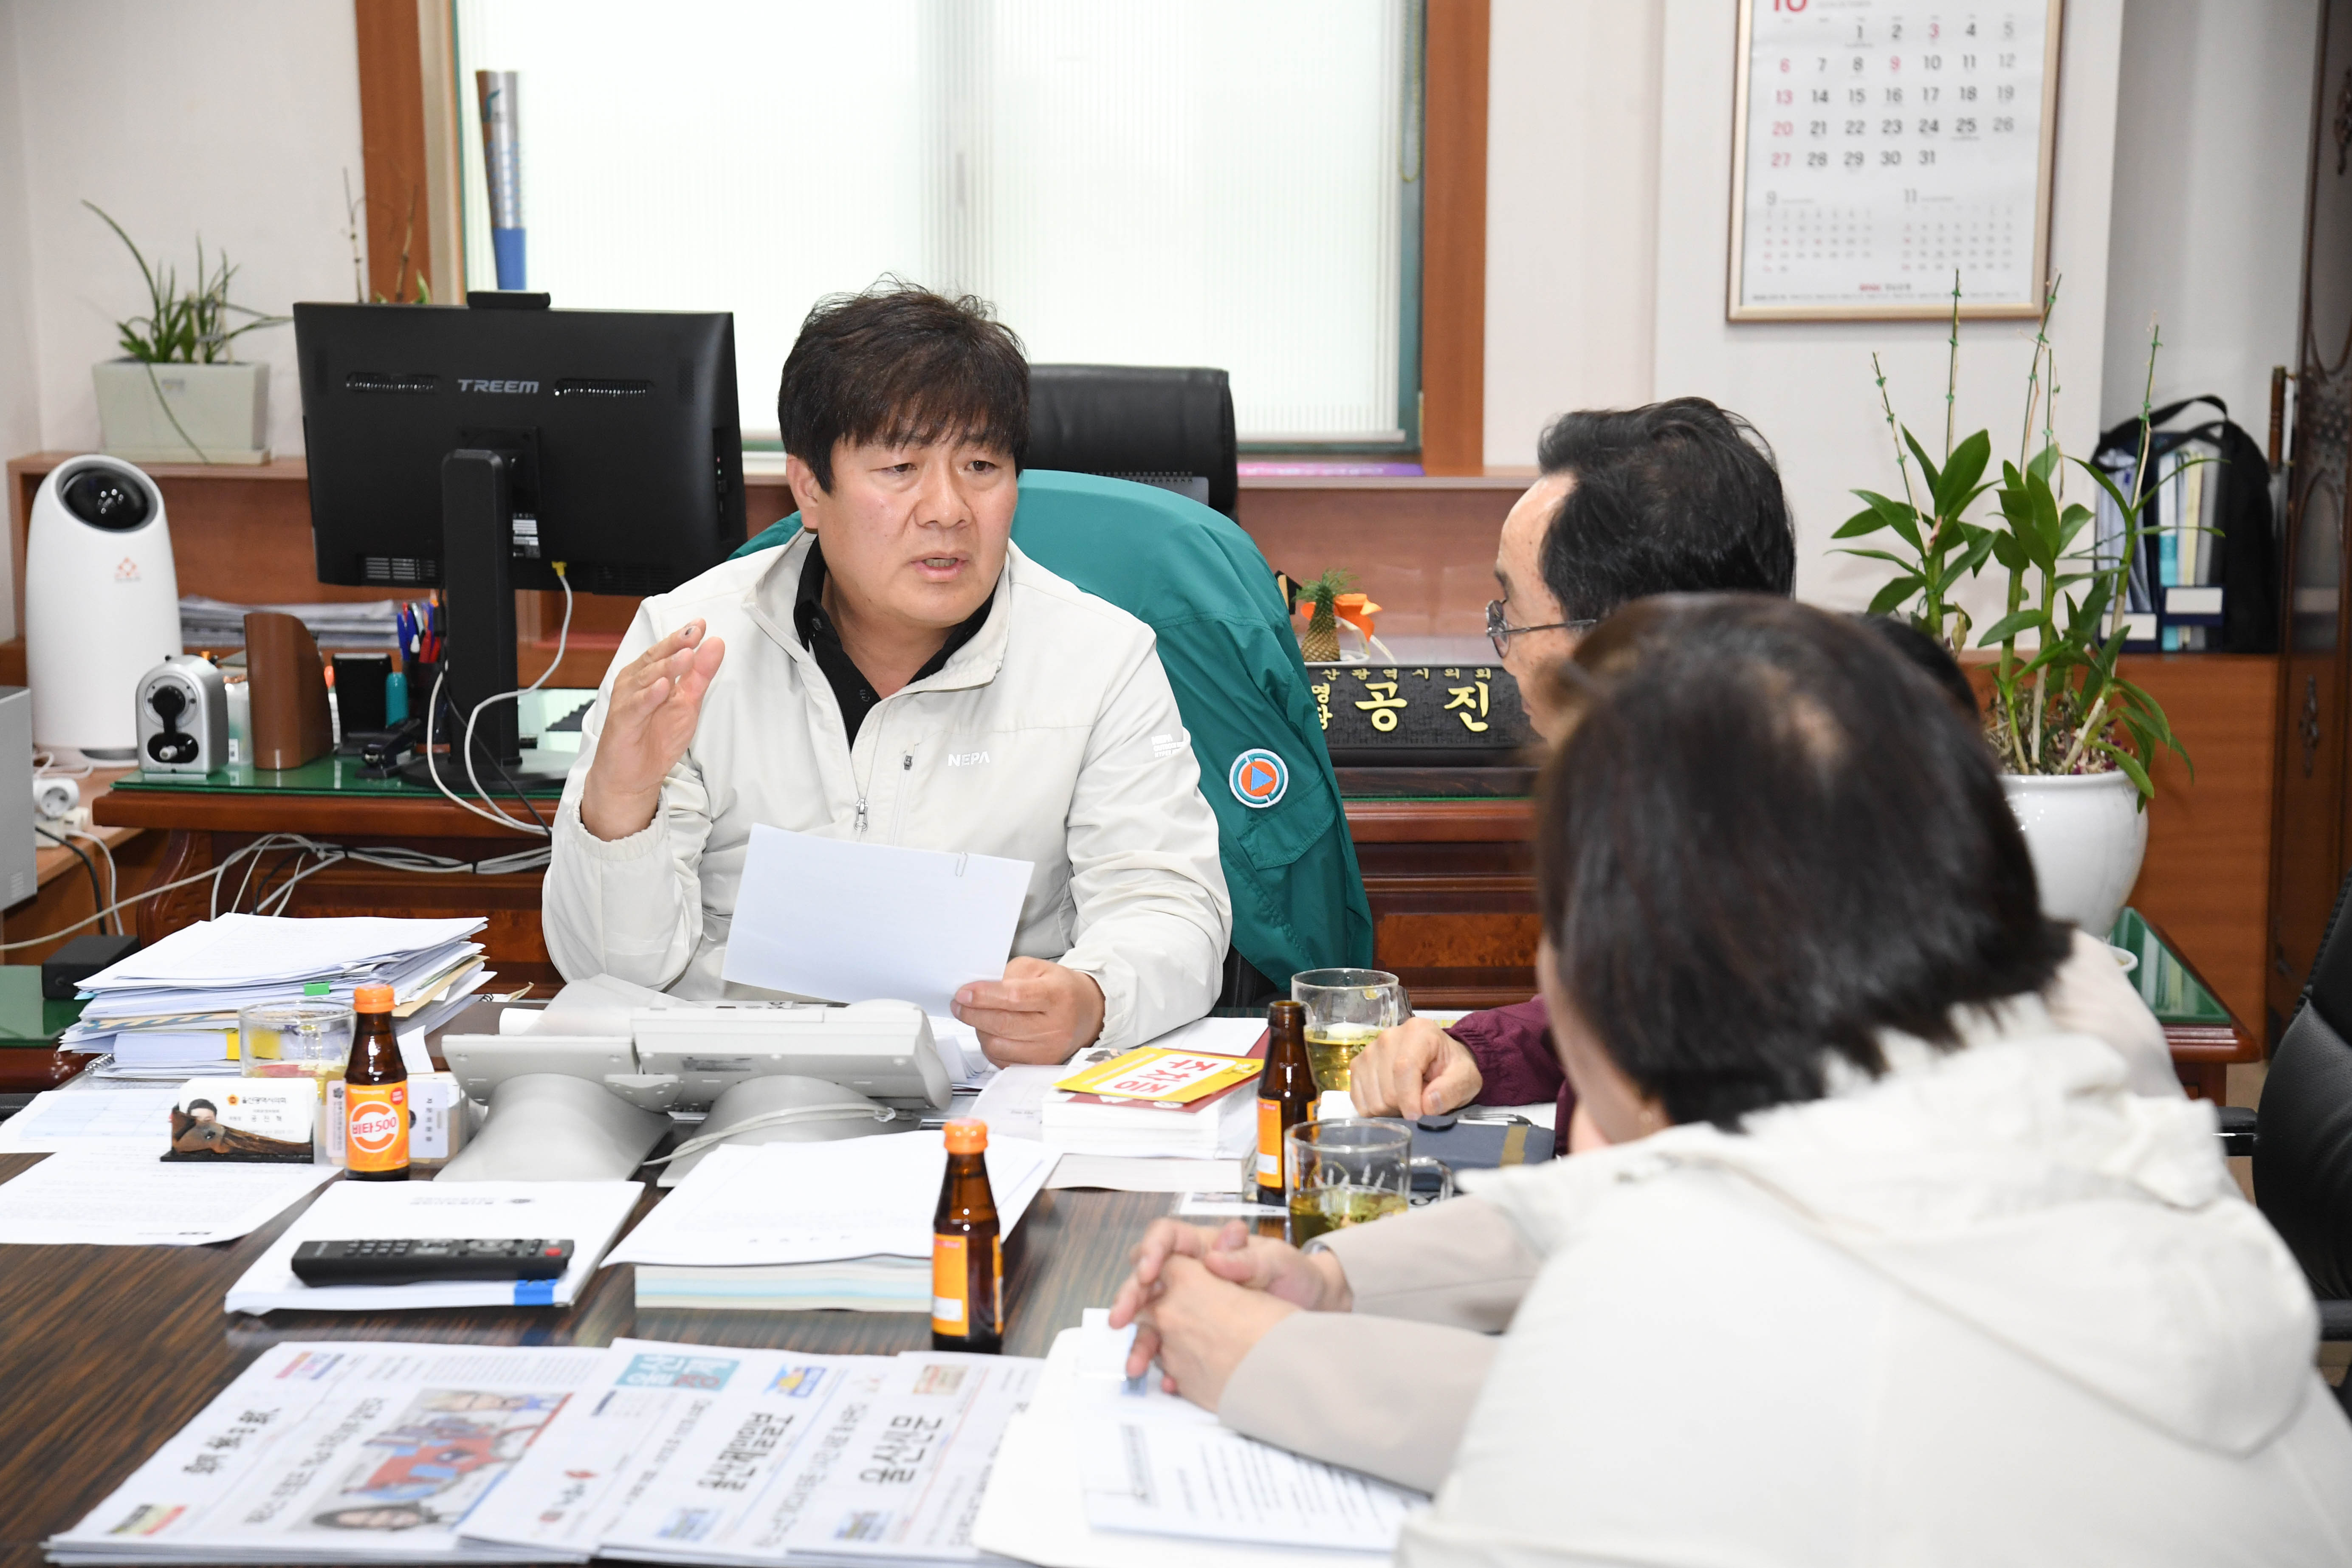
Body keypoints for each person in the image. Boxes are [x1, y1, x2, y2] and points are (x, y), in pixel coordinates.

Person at [1111, 598, 2352, 1561]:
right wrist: (1330, 1282)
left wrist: (1266, 1357)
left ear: (1620, 954)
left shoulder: (1702, 1312)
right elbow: (1644, 1207)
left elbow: (1632, 1378)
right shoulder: (2033, 1077)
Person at [541, 285, 1231, 1063]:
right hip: (733, 1076)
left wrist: (1093, 997)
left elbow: (1170, 906)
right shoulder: (687, 644)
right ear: (809, 488)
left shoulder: (1099, 657)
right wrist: (621, 804)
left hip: (986, 1086)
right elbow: (607, 972)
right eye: (900, 467)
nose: (948, 509)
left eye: (981, 465)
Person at [1350, 399, 1796, 1133]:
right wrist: (1473, 1052)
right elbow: (1614, 1014)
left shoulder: (1770, 867)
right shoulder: (1699, 792)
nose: (1505, 650)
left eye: (1510, 616)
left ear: (1615, 644)